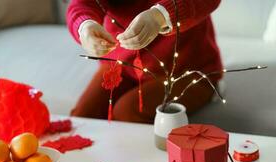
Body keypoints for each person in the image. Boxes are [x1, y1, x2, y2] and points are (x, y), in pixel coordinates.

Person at [67, 0, 223, 123]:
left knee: (128, 111)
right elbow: (82, 4)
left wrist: (159, 15)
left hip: (185, 70)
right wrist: (84, 26)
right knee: (83, 117)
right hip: (122, 64)